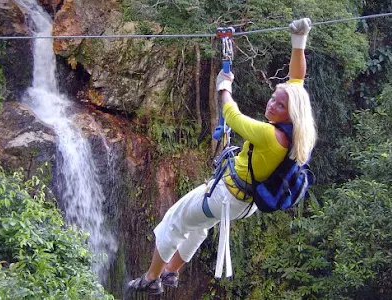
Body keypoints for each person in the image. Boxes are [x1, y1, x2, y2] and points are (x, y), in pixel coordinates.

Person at [127, 17, 317, 295]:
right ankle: (171, 273)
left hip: (226, 197)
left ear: (291, 112)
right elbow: (297, 79)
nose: (271, 103)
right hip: (243, 202)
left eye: (279, 104)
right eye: (274, 97)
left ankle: (151, 278)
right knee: (198, 226)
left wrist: (223, 86)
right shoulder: (297, 135)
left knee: (173, 220)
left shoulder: (268, 135)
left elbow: (232, 114)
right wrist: (299, 42)